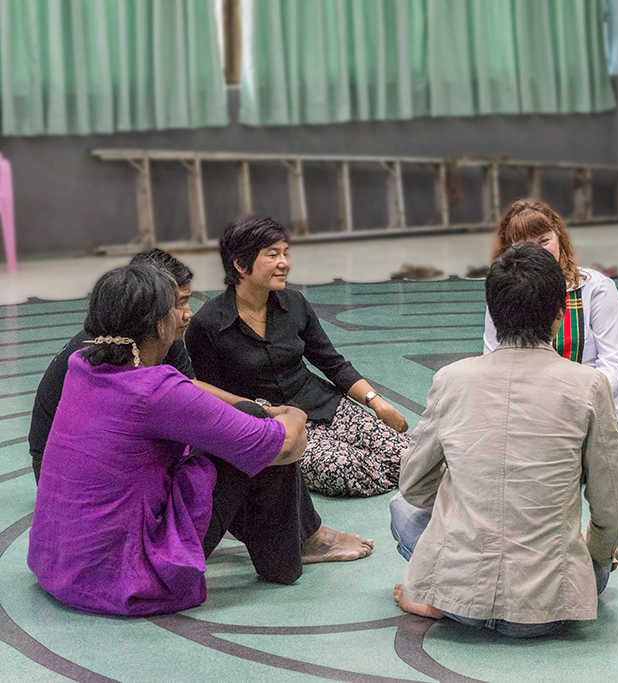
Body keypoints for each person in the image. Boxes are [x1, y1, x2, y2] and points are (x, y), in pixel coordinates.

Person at [27, 264, 335, 616]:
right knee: (256, 428)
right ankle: (285, 560)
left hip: (61, 564)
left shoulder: (81, 364)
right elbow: (284, 446)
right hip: (127, 579)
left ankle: (290, 550)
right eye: (177, 306)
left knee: (243, 428)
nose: (185, 314)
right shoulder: (156, 391)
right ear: (160, 324)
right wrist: (292, 414)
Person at [390, 243, 618, 637]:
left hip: (461, 600)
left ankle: (436, 596)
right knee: (599, 545)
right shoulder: (589, 386)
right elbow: (613, 508)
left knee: (400, 508)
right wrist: (596, 552)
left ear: (493, 314)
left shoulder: (451, 379)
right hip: (553, 606)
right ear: (559, 315)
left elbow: (413, 487)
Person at [185, 216, 409, 497]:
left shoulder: (295, 304)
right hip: (276, 424)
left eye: (286, 254)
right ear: (240, 264)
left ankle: (402, 472)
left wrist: (377, 404)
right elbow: (211, 395)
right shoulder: (207, 325)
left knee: (406, 452)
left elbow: (331, 362)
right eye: (273, 254)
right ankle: (406, 477)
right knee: (340, 468)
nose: (285, 263)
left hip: (323, 404)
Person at [29, 249, 200, 481]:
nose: (188, 313)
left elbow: (191, 389)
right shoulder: (104, 351)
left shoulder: (161, 333)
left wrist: (250, 406)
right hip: (63, 464)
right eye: (179, 303)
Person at [483, 199, 618, 444]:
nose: (538, 252)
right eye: (523, 245)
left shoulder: (596, 288)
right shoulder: (501, 290)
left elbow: (616, 363)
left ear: (560, 238)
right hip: (525, 417)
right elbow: (493, 359)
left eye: (544, 241)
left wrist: (566, 404)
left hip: (592, 416)